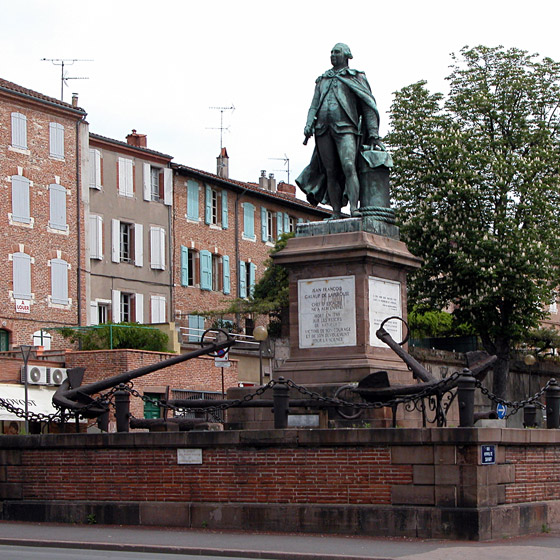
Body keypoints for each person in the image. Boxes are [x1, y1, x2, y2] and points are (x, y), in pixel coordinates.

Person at [296, 43, 384, 218]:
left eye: (337, 52)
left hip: (346, 128)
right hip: (323, 129)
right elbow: (314, 105)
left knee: (349, 165)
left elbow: (368, 106)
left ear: (347, 55)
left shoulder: (355, 77)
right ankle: (336, 212)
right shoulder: (323, 79)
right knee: (330, 171)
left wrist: (373, 133)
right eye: (331, 52)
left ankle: (354, 208)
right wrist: (308, 124)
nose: (333, 55)